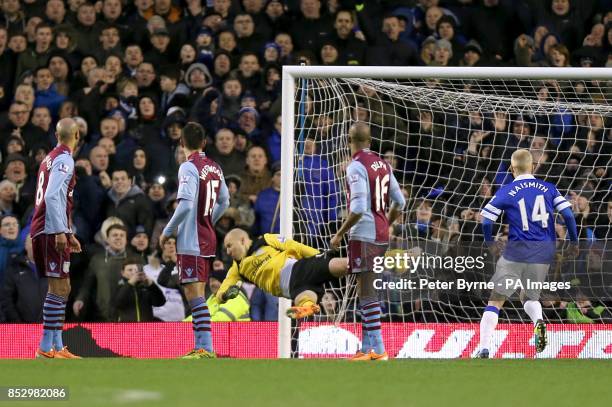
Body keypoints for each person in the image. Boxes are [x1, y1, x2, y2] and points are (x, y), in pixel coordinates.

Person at [475, 149, 579, 358]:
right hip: (544, 251)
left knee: (496, 300)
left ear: (512, 169)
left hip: (517, 250)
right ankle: (538, 321)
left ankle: (483, 347)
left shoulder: (507, 190)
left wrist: (490, 243)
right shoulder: (549, 188)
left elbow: (486, 219)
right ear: (533, 166)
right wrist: (574, 242)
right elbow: (568, 215)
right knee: (529, 295)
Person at [331, 122, 406, 361]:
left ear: (349, 141)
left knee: (367, 292)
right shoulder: (382, 164)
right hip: (381, 233)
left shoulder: (355, 166)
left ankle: (379, 349)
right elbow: (400, 202)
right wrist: (388, 223)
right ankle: (366, 348)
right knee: (366, 290)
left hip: (364, 234)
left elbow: (359, 207)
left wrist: (340, 233)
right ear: (370, 141)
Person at [159, 122, 230, 359]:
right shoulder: (215, 167)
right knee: (199, 293)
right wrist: (208, 219)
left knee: (194, 294)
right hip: (208, 237)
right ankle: (203, 348)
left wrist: (168, 231)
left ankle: (205, 347)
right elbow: (225, 201)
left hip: (191, 239)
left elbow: (186, 204)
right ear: (205, 143)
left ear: (182, 143)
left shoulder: (188, 167)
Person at [30, 118, 82, 359]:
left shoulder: (49, 158)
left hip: (48, 228)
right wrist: (60, 230)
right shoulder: (64, 159)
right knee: (58, 287)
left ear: (56, 135)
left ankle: (57, 347)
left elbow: (57, 197)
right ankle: (45, 347)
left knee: (63, 286)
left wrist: (68, 232)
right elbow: (52, 197)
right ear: (77, 136)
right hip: (50, 229)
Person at [220, 229, 348, 319]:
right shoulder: (237, 269)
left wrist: (318, 255)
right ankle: (308, 307)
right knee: (304, 297)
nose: (227, 251)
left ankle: (358, 263)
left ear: (242, 240)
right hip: (290, 289)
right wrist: (225, 296)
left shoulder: (266, 239)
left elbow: (293, 245)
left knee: (339, 265)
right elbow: (223, 289)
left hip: (297, 269)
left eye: (229, 246)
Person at [112, 257, 166, 322]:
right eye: (130, 270)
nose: (133, 272)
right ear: (122, 273)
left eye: (135, 270)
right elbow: (118, 303)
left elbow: (159, 302)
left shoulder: (145, 287)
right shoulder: (119, 286)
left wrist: (152, 285)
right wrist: (130, 283)